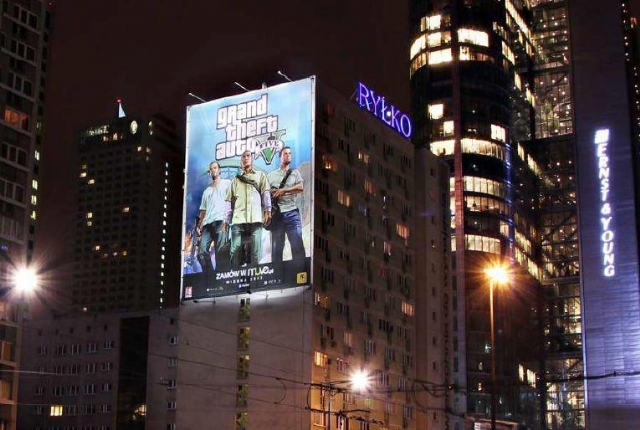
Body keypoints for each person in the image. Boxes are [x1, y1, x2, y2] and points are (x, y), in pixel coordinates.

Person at [225, 150, 271, 266]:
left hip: (256, 219)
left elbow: (266, 193)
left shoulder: (260, 175)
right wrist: (226, 221)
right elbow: (228, 201)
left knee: (255, 254)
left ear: (252, 158)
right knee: (235, 253)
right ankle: (235, 275)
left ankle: (255, 276)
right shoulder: (235, 180)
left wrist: (268, 211)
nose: (246, 158)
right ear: (241, 160)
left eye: (248, 156)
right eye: (243, 157)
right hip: (238, 221)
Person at [267, 146, 305, 263]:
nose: (288, 155)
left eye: (290, 153)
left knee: (297, 244)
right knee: (276, 248)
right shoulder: (271, 175)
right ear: (280, 157)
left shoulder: (295, 173)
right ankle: (276, 272)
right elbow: (265, 194)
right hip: (277, 215)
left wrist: (285, 190)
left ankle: (300, 271)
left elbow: (300, 187)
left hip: (291, 212)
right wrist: (272, 193)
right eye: (285, 153)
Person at [197, 162, 231, 272]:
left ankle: (220, 276)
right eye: (211, 169)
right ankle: (210, 275)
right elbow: (203, 210)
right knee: (201, 253)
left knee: (221, 252)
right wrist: (199, 225)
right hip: (207, 224)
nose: (213, 170)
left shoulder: (227, 183)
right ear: (209, 172)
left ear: (219, 170)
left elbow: (233, 199)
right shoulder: (206, 191)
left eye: (215, 168)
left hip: (221, 221)